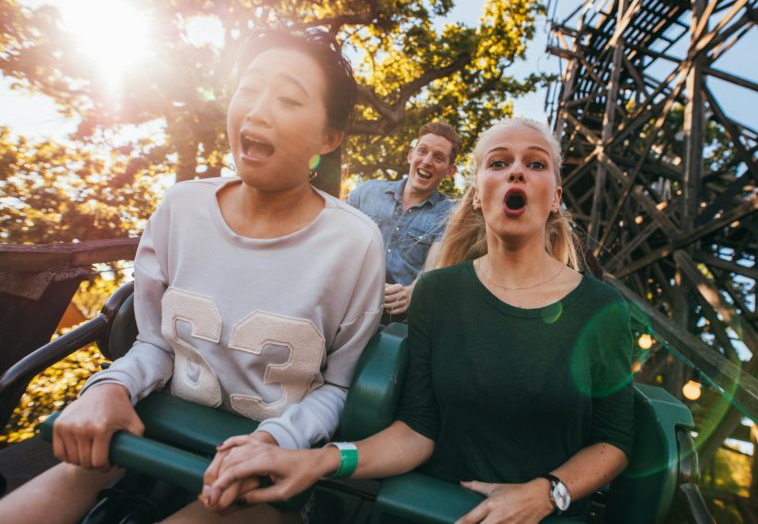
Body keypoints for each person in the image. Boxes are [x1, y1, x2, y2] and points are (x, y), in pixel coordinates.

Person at [0, 26, 385, 524]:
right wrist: (110, 389)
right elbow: (156, 342)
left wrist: (275, 441)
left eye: (289, 99)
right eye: (247, 89)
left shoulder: (355, 244)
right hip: (155, 431)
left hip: (269, 469)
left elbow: (339, 388)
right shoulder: (180, 206)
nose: (257, 109)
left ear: (328, 139)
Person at [201, 117, 635, 523]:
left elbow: (614, 442)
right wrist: (319, 460)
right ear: (479, 193)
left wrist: (545, 493)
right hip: (426, 510)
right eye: (499, 163)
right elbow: (416, 431)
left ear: (555, 197)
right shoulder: (438, 293)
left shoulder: (602, 308)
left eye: (535, 163)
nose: (515, 172)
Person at [346, 122, 461, 319]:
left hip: (396, 319)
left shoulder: (449, 213)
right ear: (410, 155)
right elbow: (334, 238)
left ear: (450, 171)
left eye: (438, 157)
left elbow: (435, 265)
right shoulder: (367, 192)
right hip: (346, 301)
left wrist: (414, 291)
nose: (426, 161)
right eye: (422, 151)